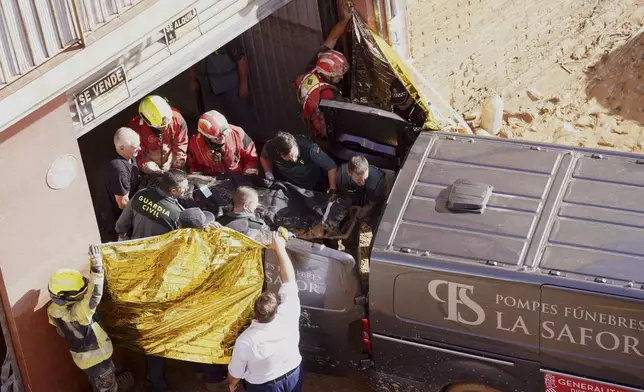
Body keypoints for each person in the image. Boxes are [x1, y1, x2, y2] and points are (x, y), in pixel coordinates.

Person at [228, 232, 303, 392]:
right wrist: (280, 248)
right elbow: (289, 278)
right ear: (276, 310)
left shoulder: (245, 341)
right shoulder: (289, 313)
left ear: (254, 314)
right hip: (293, 373)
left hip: (265, 385)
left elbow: (235, 374)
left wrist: (232, 384)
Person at [48, 245, 120, 391]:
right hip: (98, 359)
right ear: (69, 297)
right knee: (108, 389)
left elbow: (61, 332)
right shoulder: (79, 313)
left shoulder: (52, 310)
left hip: (84, 360)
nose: (83, 294)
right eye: (80, 293)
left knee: (97, 384)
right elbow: (94, 296)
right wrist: (97, 266)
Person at [189, 37, 258, 141]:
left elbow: (241, 61)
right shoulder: (197, 39)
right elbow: (191, 61)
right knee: (214, 124)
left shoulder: (226, 37)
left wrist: (244, 85)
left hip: (231, 88)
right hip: (210, 91)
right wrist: (192, 80)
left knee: (242, 122)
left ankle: (248, 147)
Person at [295, 15, 351, 138]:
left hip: (308, 118)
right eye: (337, 75)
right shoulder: (330, 95)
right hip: (325, 133)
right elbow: (346, 121)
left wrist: (345, 20)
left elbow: (332, 38)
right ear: (327, 75)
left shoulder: (313, 69)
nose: (341, 78)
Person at [95, 127, 141, 243]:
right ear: (121, 148)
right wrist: (142, 214)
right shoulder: (120, 171)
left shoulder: (128, 155)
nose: (139, 148)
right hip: (114, 219)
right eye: (135, 147)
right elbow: (123, 203)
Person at [115, 168, 187, 240]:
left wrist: (122, 236)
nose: (187, 188)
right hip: (158, 250)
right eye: (184, 187)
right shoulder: (178, 213)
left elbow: (122, 224)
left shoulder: (141, 194)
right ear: (173, 191)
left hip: (135, 247)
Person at [127, 95, 188, 174]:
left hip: (172, 162)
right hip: (151, 168)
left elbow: (181, 144)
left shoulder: (177, 119)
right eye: (160, 126)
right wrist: (150, 168)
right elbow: (138, 154)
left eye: (167, 123)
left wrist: (176, 164)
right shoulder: (135, 129)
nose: (166, 127)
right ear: (146, 121)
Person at [187, 110, 259, 176]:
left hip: (237, 177)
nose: (222, 139)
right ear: (206, 137)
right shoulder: (195, 144)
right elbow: (194, 165)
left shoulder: (238, 134)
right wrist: (199, 180)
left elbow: (251, 157)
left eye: (225, 134)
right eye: (217, 138)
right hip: (212, 181)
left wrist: (248, 177)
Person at [260, 132, 337, 192]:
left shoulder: (308, 148)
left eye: (292, 155)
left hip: (315, 183)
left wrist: (332, 190)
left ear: (295, 146)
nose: (293, 160)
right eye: (287, 158)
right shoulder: (270, 148)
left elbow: (331, 167)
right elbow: (264, 158)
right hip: (290, 186)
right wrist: (268, 173)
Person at [337, 155, 386, 228]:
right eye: (359, 180)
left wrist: (356, 217)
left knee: (378, 223)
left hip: (369, 203)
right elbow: (343, 197)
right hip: (353, 200)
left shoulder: (378, 180)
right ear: (349, 173)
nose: (363, 183)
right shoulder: (341, 175)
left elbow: (372, 204)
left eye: (365, 179)